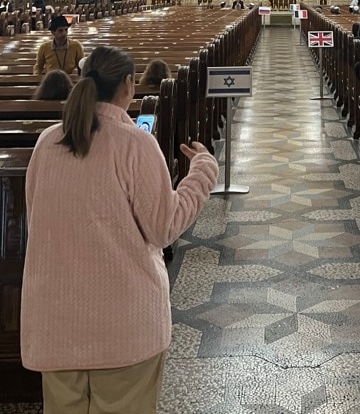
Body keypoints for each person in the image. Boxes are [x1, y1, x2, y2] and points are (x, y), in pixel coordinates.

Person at [21, 45, 219, 412]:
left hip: (56, 325)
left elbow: (38, 220)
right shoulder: (134, 144)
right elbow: (165, 227)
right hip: (122, 326)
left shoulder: (47, 142)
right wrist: (203, 172)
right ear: (129, 84)